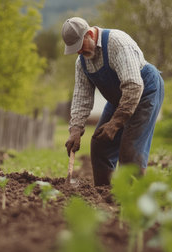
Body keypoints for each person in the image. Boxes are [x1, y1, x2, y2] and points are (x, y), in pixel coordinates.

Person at [62, 17, 164, 186]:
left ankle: (136, 200)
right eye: (75, 49)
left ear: (89, 34)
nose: (79, 52)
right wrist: (75, 129)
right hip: (120, 99)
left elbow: (133, 86)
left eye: (80, 46)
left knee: (130, 151)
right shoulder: (82, 63)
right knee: (100, 145)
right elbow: (81, 97)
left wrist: (116, 122)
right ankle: (105, 194)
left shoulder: (117, 43)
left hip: (145, 91)